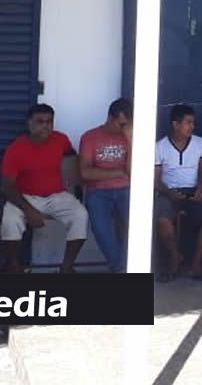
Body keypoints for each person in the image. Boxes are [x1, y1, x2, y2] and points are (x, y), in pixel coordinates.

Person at [0, 103, 89, 274]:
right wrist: (29, 210)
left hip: (56, 195)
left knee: (80, 215)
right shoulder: (16, 149)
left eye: (49, 122)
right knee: (9, 221)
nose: (46, 126)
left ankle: (66, 268)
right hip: (25, 196)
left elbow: (71, 158)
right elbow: (6, 186)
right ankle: (13, 266)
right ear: (29, 123)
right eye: (40, 121)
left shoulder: (61, 140)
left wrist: (76, 189)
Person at [154, 104, 202, 283]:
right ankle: (174, 258)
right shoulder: (159, 147)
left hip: (193, 190)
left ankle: (196, 264)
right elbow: (156, 180)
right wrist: (169, 193)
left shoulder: (201, 143)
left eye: (193, 123)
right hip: (168, 191)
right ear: (175, 124)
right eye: (188, 122)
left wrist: (200, 190)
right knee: (162, 218)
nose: (192, 126)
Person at [79, 98, 132, 273]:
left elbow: (134, 172)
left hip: (127, 189)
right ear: (110, 118)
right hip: (98, 191)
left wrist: (131, 140)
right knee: (101, 227)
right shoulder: (90, 137)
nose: (123, 128)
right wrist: (120, 172)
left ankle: (131, 265)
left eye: (127, 125)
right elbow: (86, 173)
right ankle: (119, 268)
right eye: (121, 124)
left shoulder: (131, 137)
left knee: (139, 222)